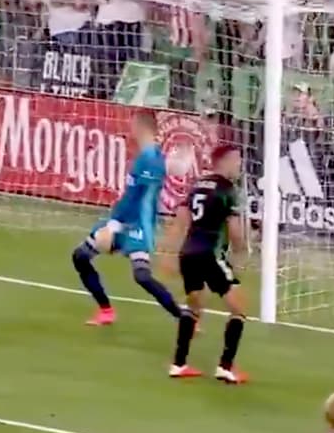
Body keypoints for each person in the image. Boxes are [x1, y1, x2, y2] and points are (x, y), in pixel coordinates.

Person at [72, 112, 182, 326]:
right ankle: (106, 310)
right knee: (80, 257)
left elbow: (136, 198)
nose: (131, 130)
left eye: (133, 126)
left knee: (142, 277)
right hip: (121, 221)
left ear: (141, 128)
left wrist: (113, 226)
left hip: (138, 226)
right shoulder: (148, 156)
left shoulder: (151, 159)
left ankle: (184, 317)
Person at [166, 145, 248, 384]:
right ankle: (225, 367)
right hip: (210, 254)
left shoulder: (198, 184)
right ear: (224, 161)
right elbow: (234, 230)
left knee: (194, 306)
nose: (239, 166)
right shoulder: (227, 189)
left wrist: (169, 252)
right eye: (236, 160)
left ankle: (178, 364)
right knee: (239, 308)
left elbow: (182, 218)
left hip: (188, 253)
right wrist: (241, 252)